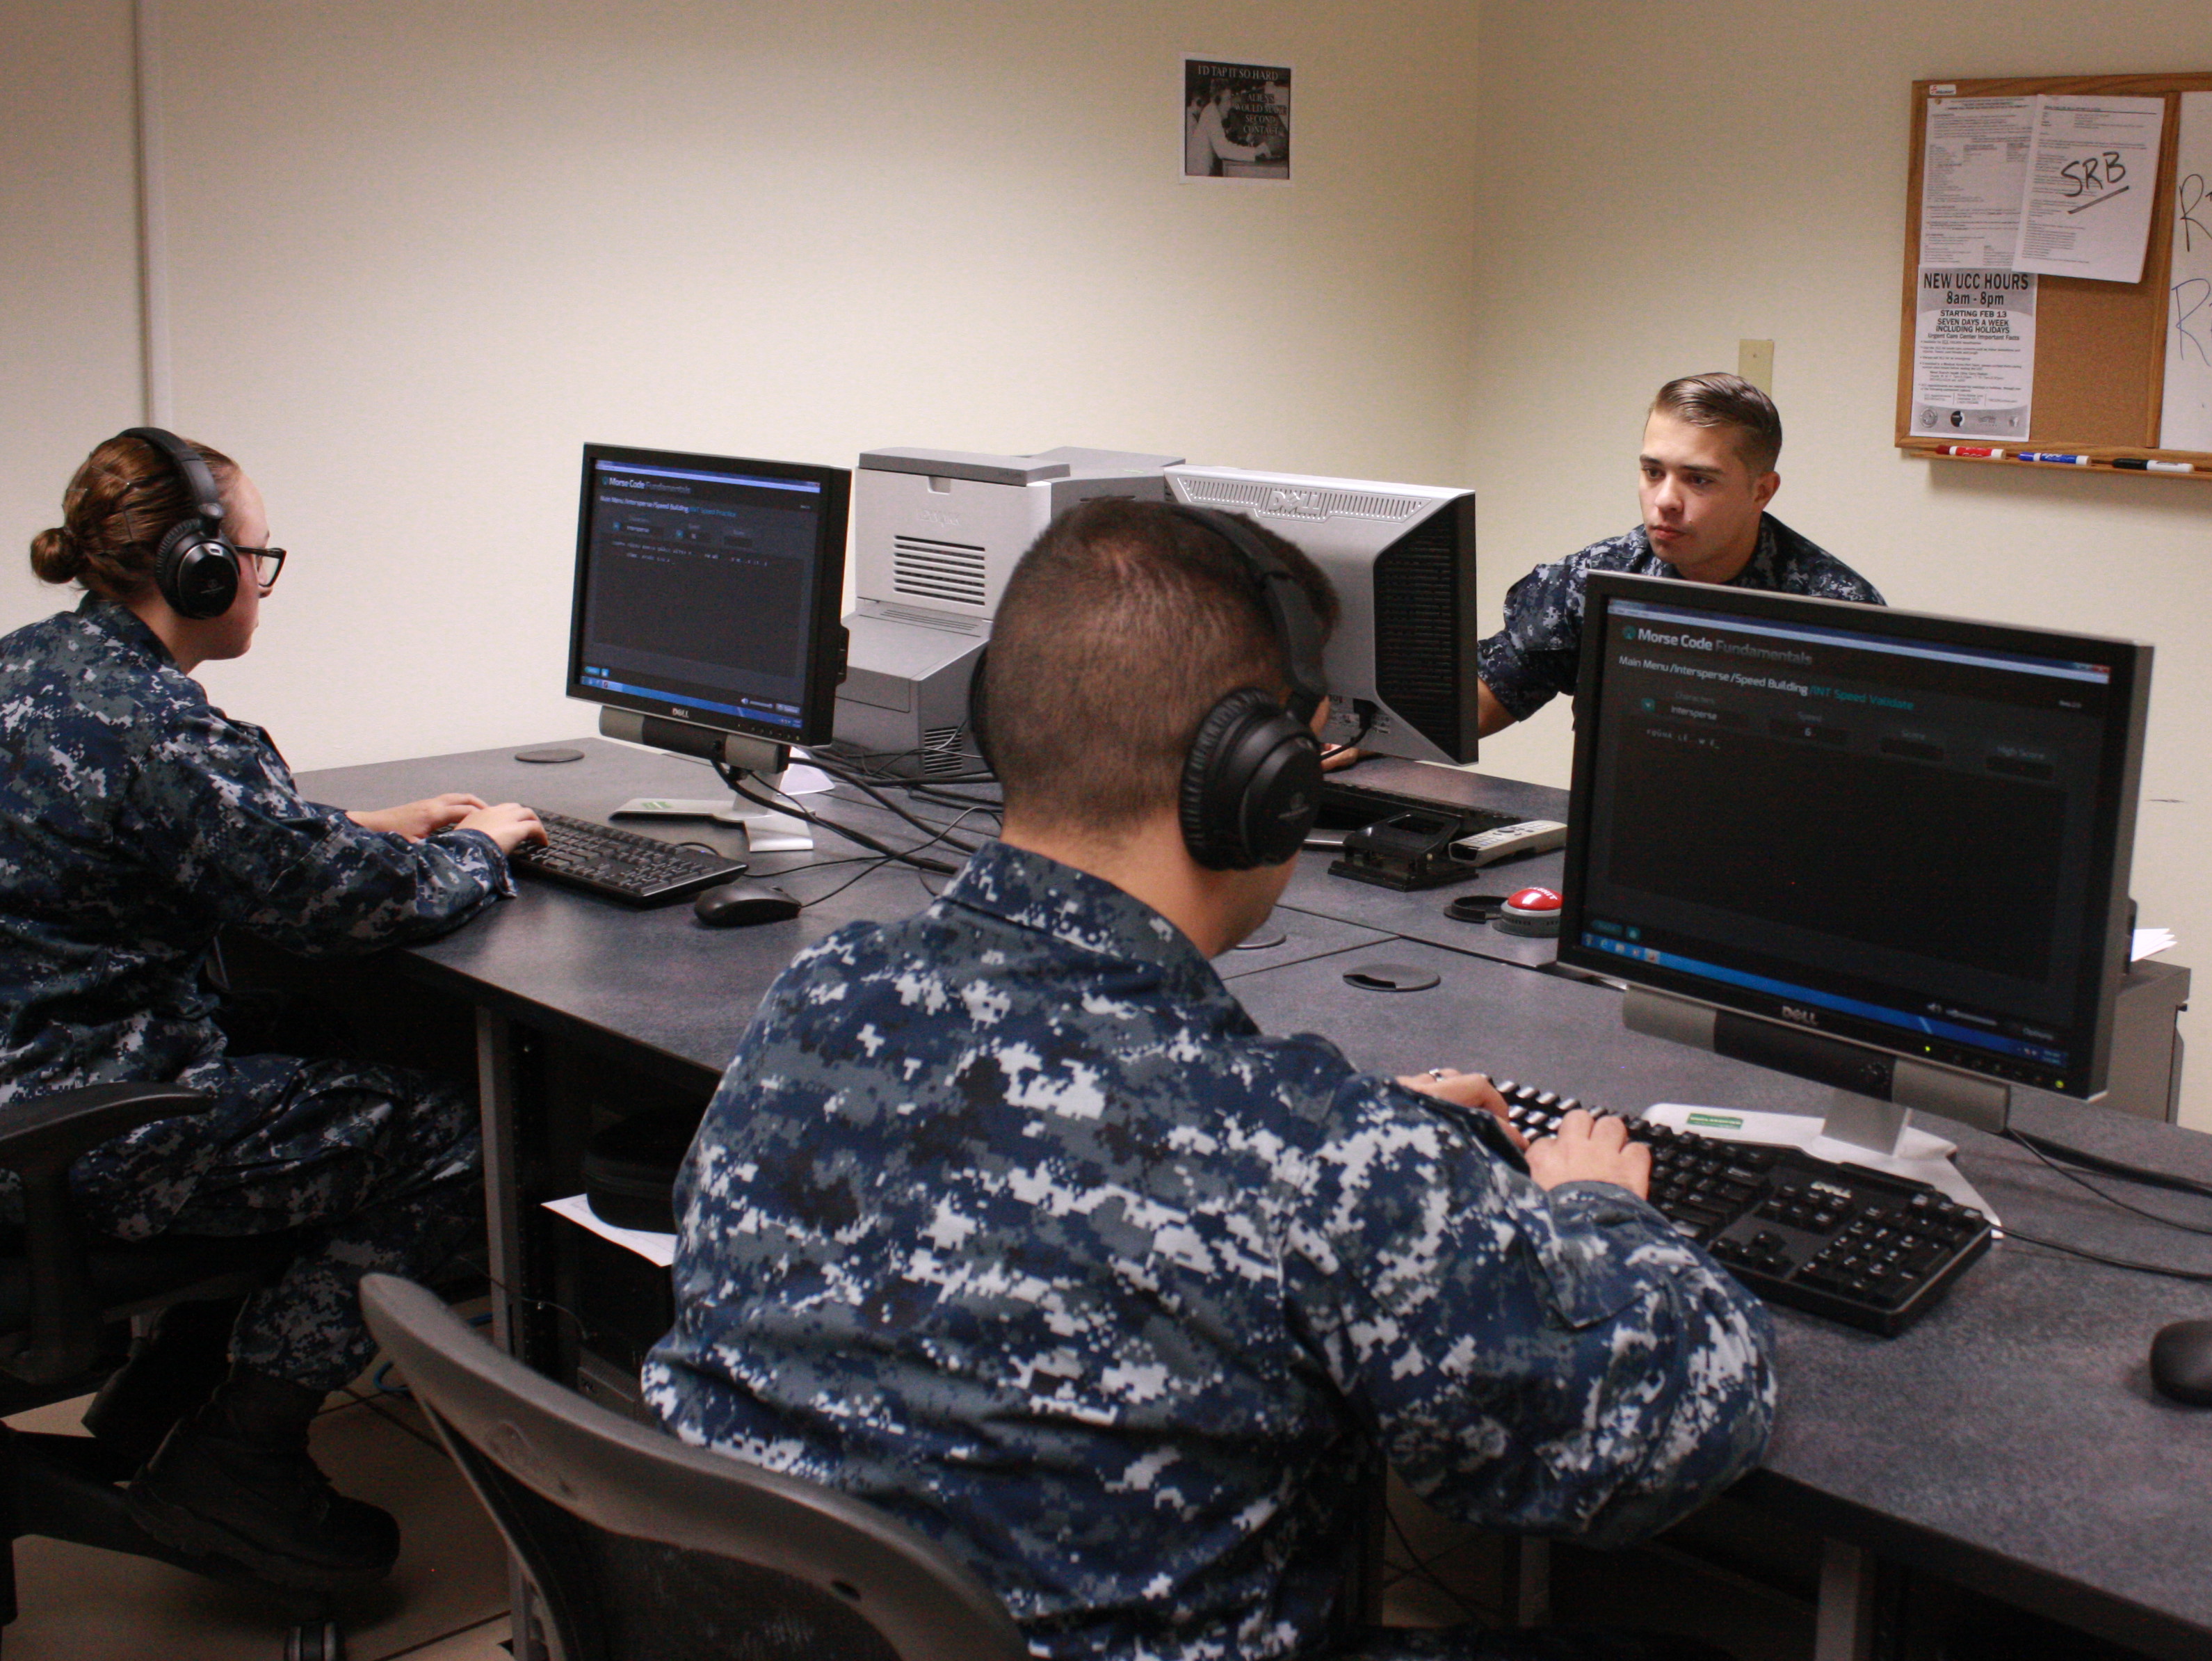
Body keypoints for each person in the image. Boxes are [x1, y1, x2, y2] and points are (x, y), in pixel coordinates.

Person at [646, 498, 1777, 1661]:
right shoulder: (1312, 1157)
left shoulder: (819, 993)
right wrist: (1591, 1208)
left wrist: (1389, 1158)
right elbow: (1649, 1437)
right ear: (1262, 780)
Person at [0, 428, 544, 1593]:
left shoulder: (33, 670)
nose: (263, 579)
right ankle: (239, 1449)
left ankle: (171, 1386)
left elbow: (205, 844)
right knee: (457, 1136)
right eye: (260, 553)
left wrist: (362, 825)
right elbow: (346, 909)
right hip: (90, 1126)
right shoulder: (162, 730)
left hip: (26, 1088)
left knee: (320, 1042)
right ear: (200, 567)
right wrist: (484, 848)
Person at [1472, 372, 1882, 735]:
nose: (1665, 500)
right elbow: (1475, 707)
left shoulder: (1837, 610)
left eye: (1698, 479)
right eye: (1653, 472)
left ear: (1761, 491)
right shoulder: (1598, 578)